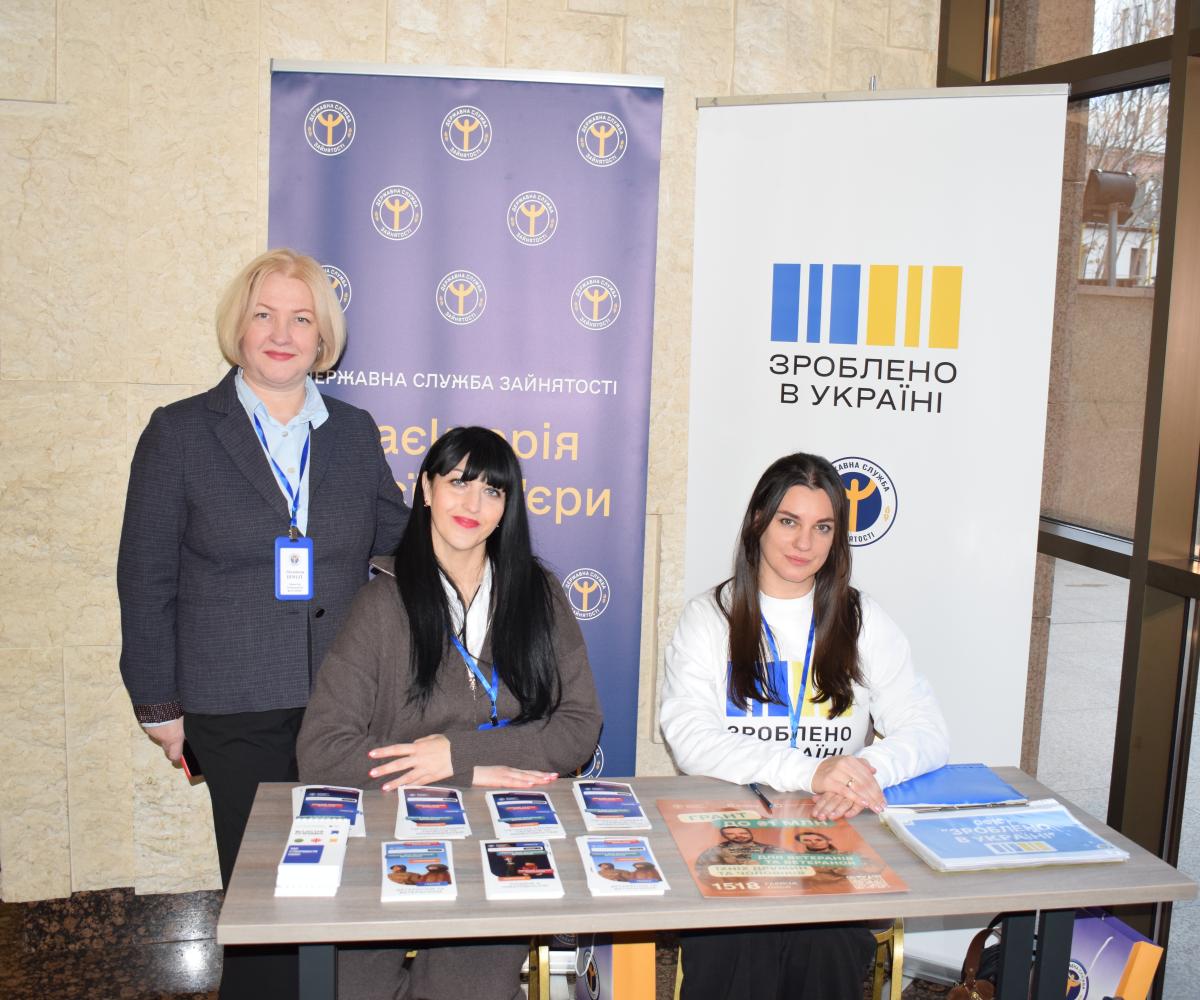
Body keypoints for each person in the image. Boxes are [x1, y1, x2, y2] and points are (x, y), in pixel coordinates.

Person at [116, 248, 408, 999]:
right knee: (268, 902)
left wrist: (476, 527)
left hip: (344, 706)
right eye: (265, 315)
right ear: (238, 329)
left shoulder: (352, 432)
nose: (282, 334)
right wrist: (158, 705)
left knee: (342, 887)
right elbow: (144, 576)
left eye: (301, 318)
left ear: (323, 337)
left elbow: (398, 539)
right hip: (233, 705)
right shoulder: (180, 433)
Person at [297, 425, 602, 1000]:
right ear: (426, 489)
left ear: (507, 507)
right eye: (459, 482)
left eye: (492, 490)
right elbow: (322, 750)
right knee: (351, 988)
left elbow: (579, 727)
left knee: (467, 989)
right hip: (388, 832)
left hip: (501, 835)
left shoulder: (538, 594)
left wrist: (458, 753)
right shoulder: (381, 602)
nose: (473, 504)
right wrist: (464, 771)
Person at [660, 451, 949, 1000]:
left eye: (822, 528)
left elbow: (927, 729)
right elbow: (690, 737)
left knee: (826, 942)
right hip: (731, 835)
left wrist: (862, 771)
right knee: (738, 944)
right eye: (788, 521)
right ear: (758, 522)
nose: (804, 543)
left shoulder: (861, 619)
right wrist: (811, 772)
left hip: (829, 837)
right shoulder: (711, 617)